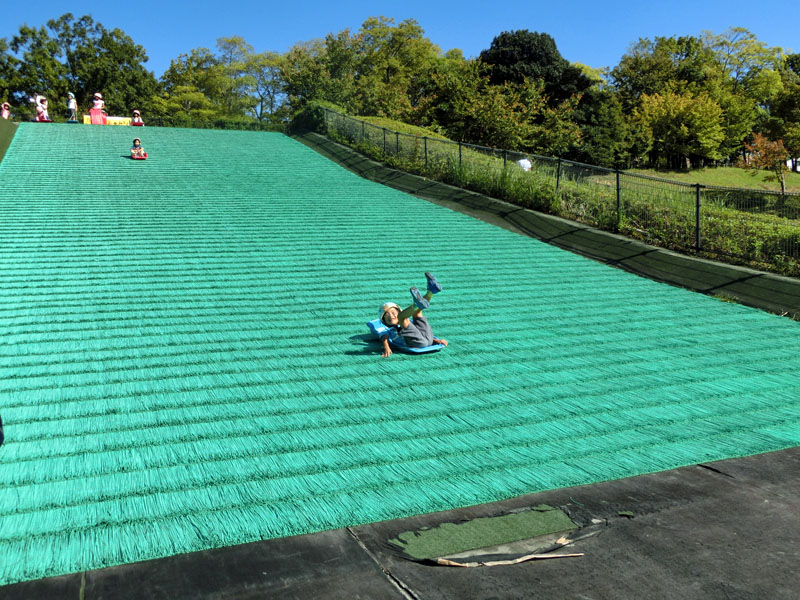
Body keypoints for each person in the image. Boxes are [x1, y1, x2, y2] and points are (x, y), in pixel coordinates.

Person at [378, 272, 448, 358]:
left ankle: (431, 291)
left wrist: (436, 341)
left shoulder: (408, 322)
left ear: (399, 310)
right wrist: (387, 348)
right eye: (387, 316)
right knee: (404, 317)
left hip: (427, 339)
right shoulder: (388, 330)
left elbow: (419, 334)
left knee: (417, 314)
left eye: (393, 312)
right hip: (420, 343)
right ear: (384, 322)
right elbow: (384, 337)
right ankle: (420, 302)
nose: (391, 316)